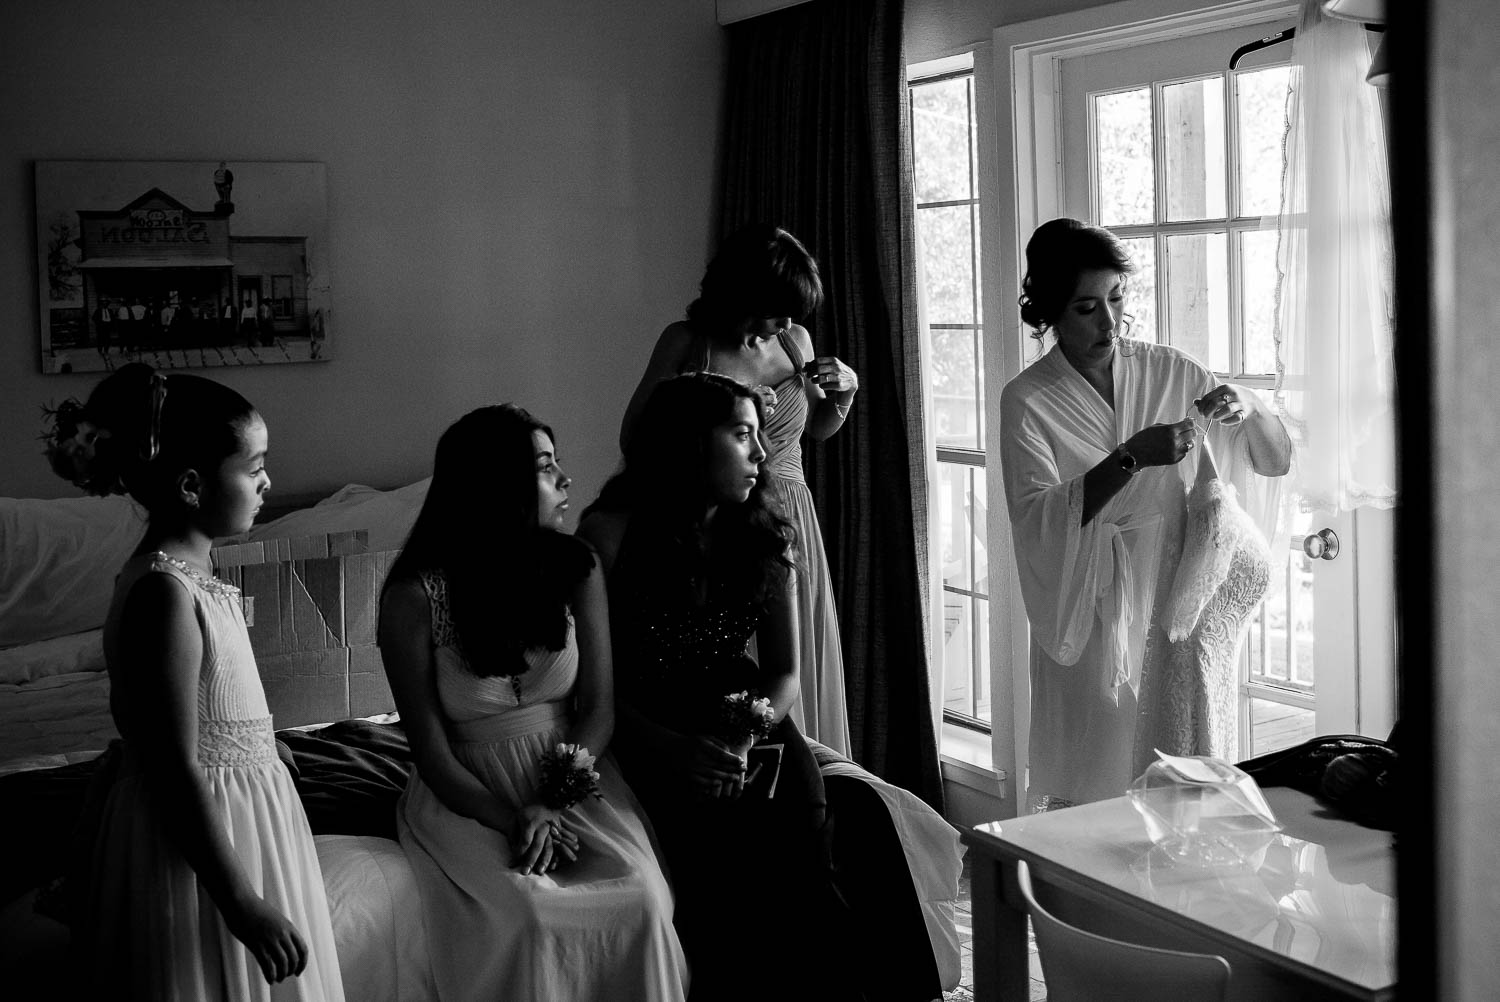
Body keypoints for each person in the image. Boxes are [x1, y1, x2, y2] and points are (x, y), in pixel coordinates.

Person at [42, 362, 344, 1000]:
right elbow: (173, 765)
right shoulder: (163, 592)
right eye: (254, 467)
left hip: (246, 819)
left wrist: (261, 746)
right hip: (197, 852)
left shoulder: (197, 580)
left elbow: (207, 715)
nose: (268, 483)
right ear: (191, 485)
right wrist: (239, 900)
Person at [378, 404, 687, 1002]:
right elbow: (432, 754)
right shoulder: (414, 598)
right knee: (528, 915)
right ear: (498, 489)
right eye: (546, 469)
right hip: (469, 792)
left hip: (572, 774)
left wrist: (551, 801)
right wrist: (514, 816)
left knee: (643, 898)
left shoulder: (577, 568)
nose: (567, 480)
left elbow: (599, 710)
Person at [581, 372, 867, 1002]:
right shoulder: (609, 534)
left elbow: (784, 671)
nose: (761, 454)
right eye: (743, 435)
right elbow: (591, 687)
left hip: (746, 713)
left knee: (804, 836)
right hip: (647, 718)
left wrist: (741, 736)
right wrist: (672, 748)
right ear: (690, 445)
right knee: (713, 877)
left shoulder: (763, 526)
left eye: (759, 435)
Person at [999, 217, 1293, 811]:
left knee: (1174, 782)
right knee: (1096, 784)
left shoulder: (1173, 372)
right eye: (1086, 307)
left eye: (1116, 298)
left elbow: (1276, 460)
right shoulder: (1027, 400)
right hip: (1089, 610)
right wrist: (1131, 457)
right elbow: (1037, 519)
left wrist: (1248, 401)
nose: (1108, 321)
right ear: (1050, 312)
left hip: (1171, 610)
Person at [620, 223, 858, 755]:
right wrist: (729, 411)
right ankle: (727, 750)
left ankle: (809, 760)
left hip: (789, 513)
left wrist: (844, 395)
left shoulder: (795, 343)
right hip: (717, 523)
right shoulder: (686, 344)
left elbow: (813, 429)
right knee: (733, 652)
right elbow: (636, 437)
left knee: (796, 657)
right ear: (746, 296)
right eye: (779, 308)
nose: (790, 322)